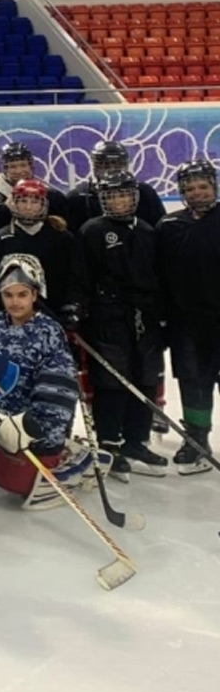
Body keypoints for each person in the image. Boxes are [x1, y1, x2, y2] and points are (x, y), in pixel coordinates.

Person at [0, 255, 102, 507]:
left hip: (28, 426)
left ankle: (61, 454)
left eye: (22, 294)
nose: (15, 302)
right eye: (8, 295)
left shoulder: (48, 331)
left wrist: (42, 434)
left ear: (35, 294)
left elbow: (58, 390)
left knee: (19, 486)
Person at [78, 170, 167, 479]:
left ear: (134, 196)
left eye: (124, 194)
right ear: (104, 199)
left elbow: (159, 276)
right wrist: (77, 310)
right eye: (112, 195)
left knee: (145, 379)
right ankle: (109, 444)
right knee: (112, 381)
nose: (119, 201)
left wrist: (162, 314)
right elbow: (81, 276)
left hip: (145, 317)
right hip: (108, 316)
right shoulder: (92, 230)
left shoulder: (148, 231)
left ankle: (136, 442)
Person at [155, 159, 220, 474]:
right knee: (193, 383)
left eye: (202, 187)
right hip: (187, 324)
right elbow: (159, 277)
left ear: (214, 186)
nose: (197, 193)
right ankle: (196, 439)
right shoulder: (169, 226)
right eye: (190, 188)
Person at [0, 179, 83, 326]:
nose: (28, 207)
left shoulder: (62, 237)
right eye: (23, 201)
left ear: (44, 204)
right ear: (13, 203)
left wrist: (72, 306)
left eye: (35, 201)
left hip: (56, 314)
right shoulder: (1, 238)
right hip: (14, 318)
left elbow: (74, 276)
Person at [65, 141, 166, 235]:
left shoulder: (145, 193)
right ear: (94, 166)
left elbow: (159, 231)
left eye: (117, 164)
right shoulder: (76, 198)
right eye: (104, 165)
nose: (111, 170)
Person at [0, 142, 70, 229]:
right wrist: (5, 211)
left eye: (23, 165)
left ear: (31, 166)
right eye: (13, 166)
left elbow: (66, 230)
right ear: (5, 169)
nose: (19, 171)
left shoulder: (52, 196)